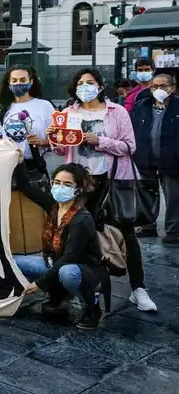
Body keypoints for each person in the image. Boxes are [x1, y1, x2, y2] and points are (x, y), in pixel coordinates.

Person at [49, 68, 157, 313]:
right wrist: (55, 138)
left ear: (100, 86)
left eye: (90, 82)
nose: (85, 86)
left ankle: (138, 288)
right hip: (79, 184)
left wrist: (101, 141)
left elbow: (130, 146)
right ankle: (79, 286)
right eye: (80, 83)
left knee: (126, 233)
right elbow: (60, 151)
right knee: (76, 233)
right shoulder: (67, 113)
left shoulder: (117, 112)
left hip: (112, 180)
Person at [13, 161, 107, 331]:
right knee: (13, 261)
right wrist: (19, 161)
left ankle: (92, 305)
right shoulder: (54, 206)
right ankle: (60, 294)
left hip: (84, 270)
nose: (60, 187)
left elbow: (69, 258)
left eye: (67, 184)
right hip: (53, 262)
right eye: (56, 182)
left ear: (78, 189)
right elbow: (26, 187)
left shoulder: (82, 219)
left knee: (67, 272)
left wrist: (39, 284)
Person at [131, 73, 179, 243]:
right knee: (146, 194)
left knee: (174, 197)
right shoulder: (141, 106)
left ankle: (173, 231)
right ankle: (147, 226)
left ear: (172, 88)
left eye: (163, 86)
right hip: (146, 158)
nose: (159, 89)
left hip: (172, 160)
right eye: (155, 86)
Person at [0, 65, 55, 173]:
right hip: (8, 165)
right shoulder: (1, 109)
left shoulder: (45, 106)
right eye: (14, 80)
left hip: (34, 165)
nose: (18, 83)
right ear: (9, 82)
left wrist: (41, 142)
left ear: (31, 81)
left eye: (23, 80)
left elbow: (56, 139)